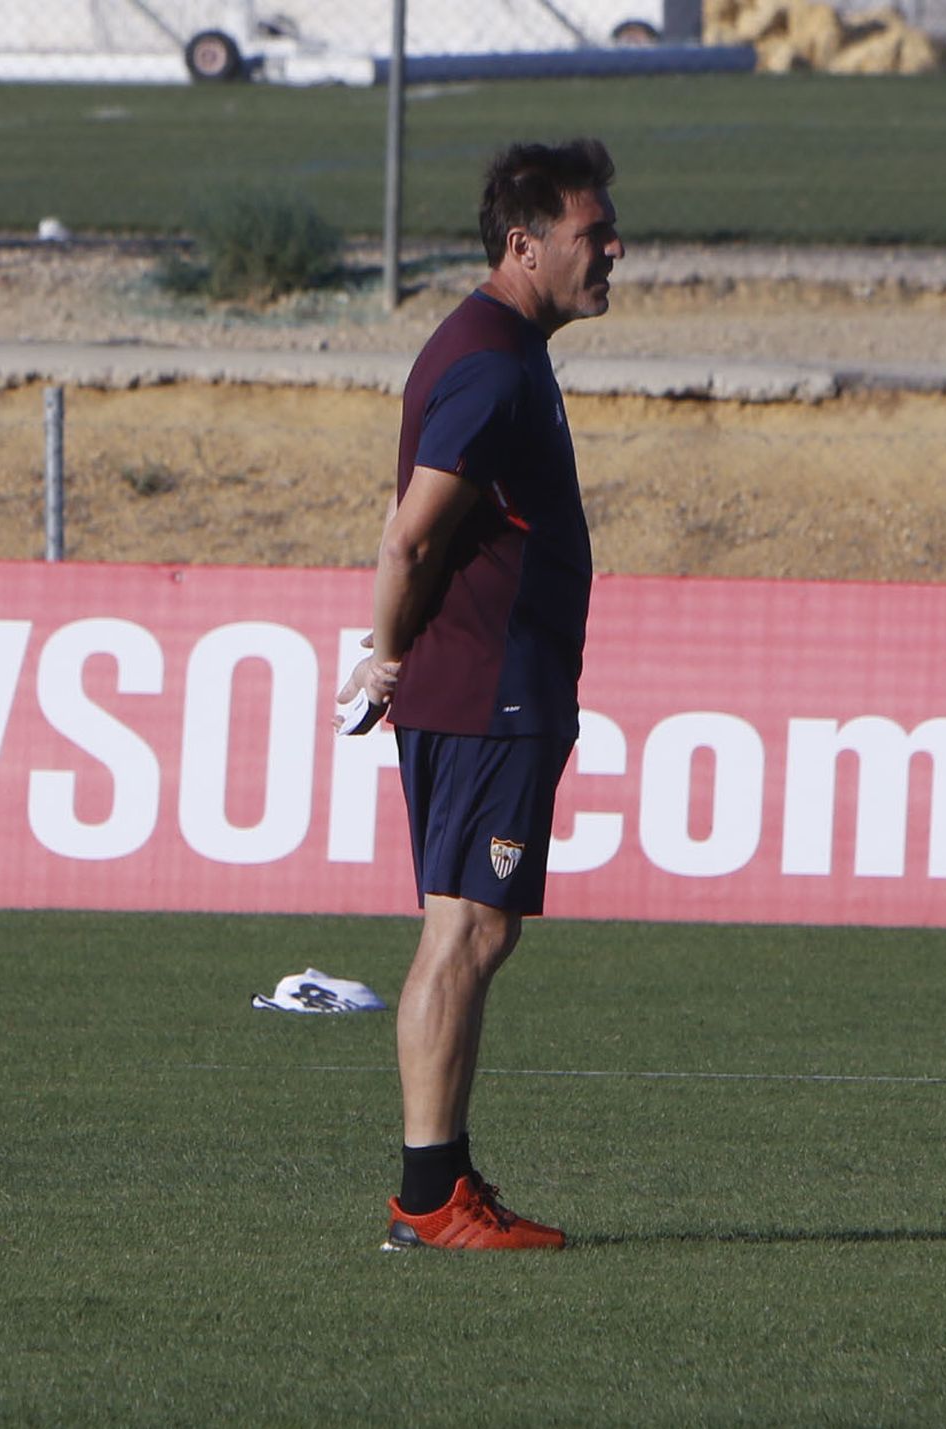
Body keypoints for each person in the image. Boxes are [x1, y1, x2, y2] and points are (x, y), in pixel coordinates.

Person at [334, 138, 623, 1253]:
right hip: (485, 686)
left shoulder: (504, 347)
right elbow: (409, 534)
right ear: (524, 244)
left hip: (499, 683)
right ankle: (428, 1197)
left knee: (472, 928)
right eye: (592, 235)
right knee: (463, 929)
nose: (612, 250)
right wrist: (386, 652)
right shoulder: (493, 363)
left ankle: (440, 1186)